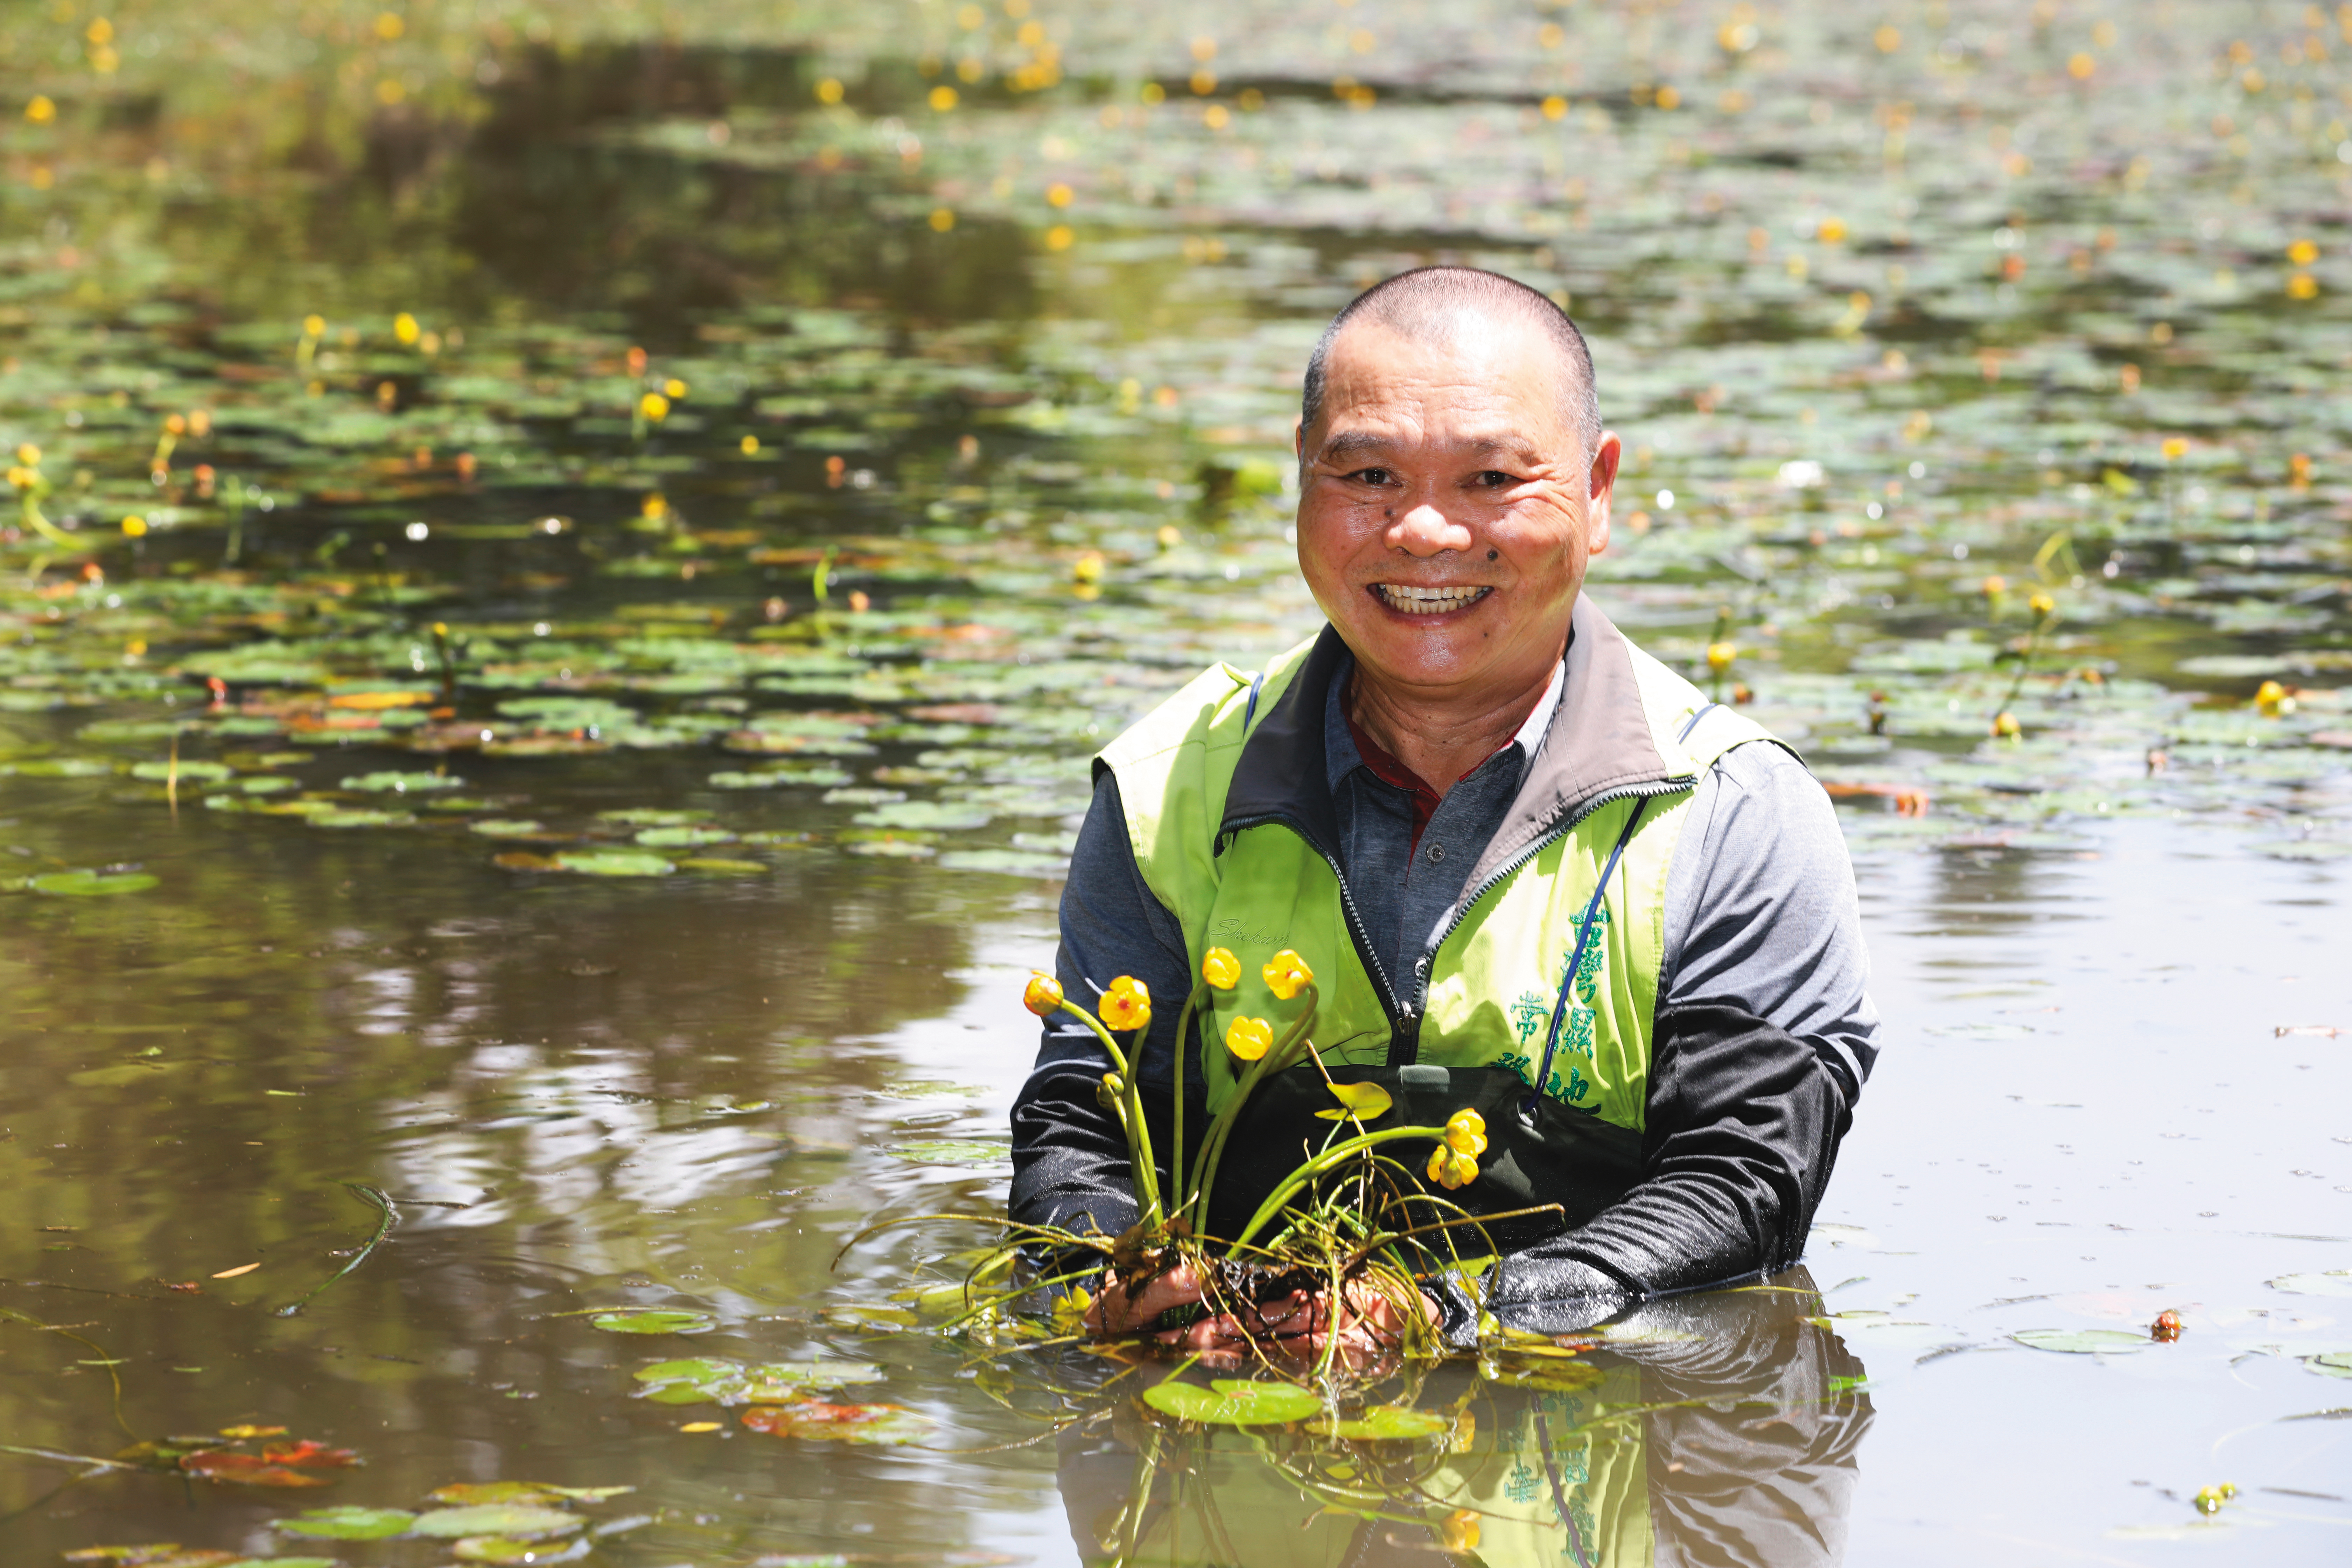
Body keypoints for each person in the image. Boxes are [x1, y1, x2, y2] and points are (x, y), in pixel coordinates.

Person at [1010, 266, 1877, 1347]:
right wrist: (1122, 1284)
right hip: (1230, 1398)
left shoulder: (1733, 813)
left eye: (1491, 479)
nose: (1422, 531)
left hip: (1563, 1407)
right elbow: (1079, 1133)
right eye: (1369, 474)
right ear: (1302, 475)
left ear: (1599, 491)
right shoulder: (1163, 786)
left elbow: (1743, 1186)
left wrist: (1445, 1320)